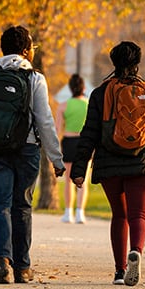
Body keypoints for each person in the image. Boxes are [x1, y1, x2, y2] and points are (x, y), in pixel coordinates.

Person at [0, 25, 65, 284]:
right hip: (26, 150)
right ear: (25, 50)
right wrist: (56, 159)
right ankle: (22, 267)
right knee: (22, 206)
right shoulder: (35, 78)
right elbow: (45, 121)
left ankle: (1, 262)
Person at [70, 41, 145, 286]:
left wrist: (78, 169)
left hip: (109, 163)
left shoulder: (101, 92)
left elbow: (90, 133)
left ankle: (120, 270)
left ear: (113, 62)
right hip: (144, 161)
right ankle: (136, 250)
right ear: (137, 63)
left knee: (120, 215)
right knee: (139, 214)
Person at [55, 74, 90, 224]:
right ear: (84, 88)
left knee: (68, 180)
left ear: (70, 88)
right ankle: (80, 213)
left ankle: (67, 212)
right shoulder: (89, 105)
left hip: (68, 142)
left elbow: (57, 129)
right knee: (82, 180)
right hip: (84, 143)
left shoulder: (63, 106)